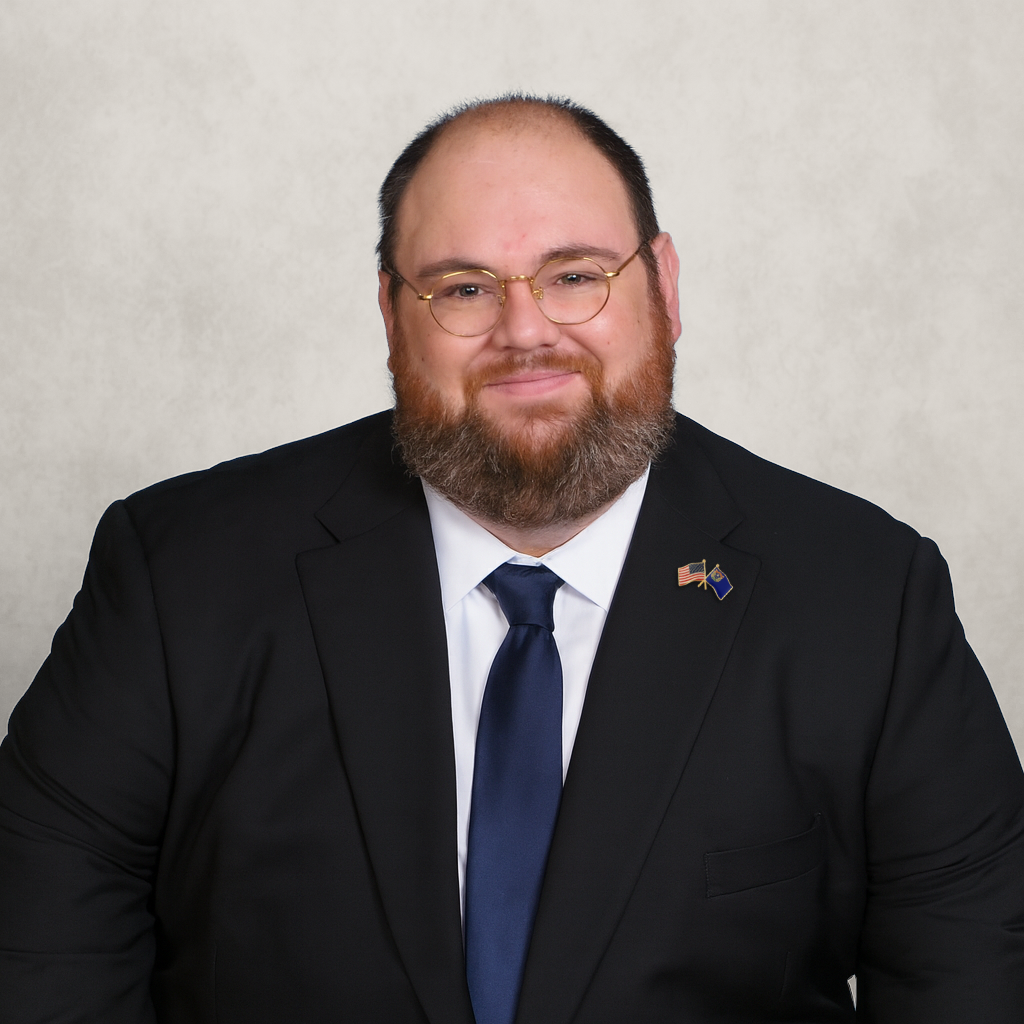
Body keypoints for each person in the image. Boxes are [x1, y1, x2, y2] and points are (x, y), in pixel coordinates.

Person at [1, 93, 1022, 1024]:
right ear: (393, 314)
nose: (525, 332)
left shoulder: (866, 598)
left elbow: (969, 973)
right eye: (462, 288)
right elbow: (45, 949)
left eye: (576, 274)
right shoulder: (178, 573)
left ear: (661, 285)